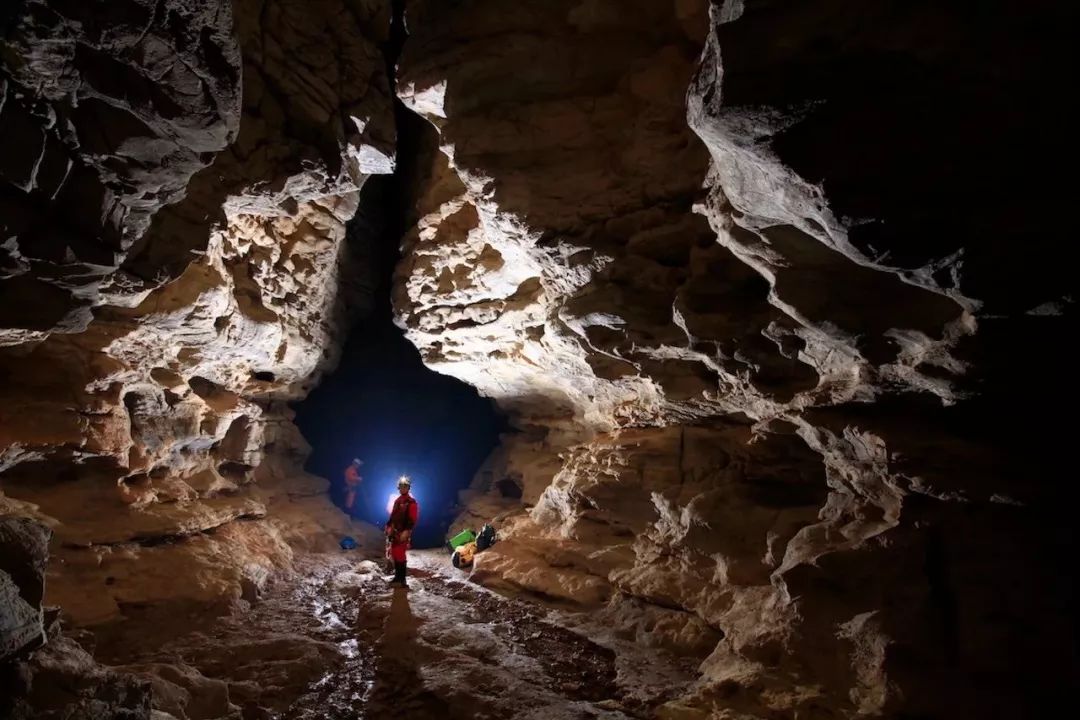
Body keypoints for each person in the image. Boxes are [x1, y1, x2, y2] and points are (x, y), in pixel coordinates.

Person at [385, 475, 419, 588]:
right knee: (394, 553)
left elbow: (412, 519)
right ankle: (397, 577)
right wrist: (389, 526)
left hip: (403, 531)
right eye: (400, 487)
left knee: (400, 554)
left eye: (404, 487)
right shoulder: (398, 501)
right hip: (395, 531)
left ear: (408, 488)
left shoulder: (411, 502)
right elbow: (393, 516)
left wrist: (407, 531)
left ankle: (402, 580)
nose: (402, 489)